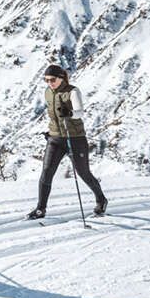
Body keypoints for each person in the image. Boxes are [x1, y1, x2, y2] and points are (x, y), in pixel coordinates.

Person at [26, 64, 107, 220]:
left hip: (75, 139)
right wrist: (51, 132)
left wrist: (70, 113)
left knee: (83, 173)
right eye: (46, 80)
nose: (49, 83)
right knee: (47, 172)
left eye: (52, 79)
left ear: (61, 78)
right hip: (55, 139)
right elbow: (53, 115)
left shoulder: (73, 91)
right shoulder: (48, 92)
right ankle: (40, 209)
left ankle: (101, 200)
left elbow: (80, 112)